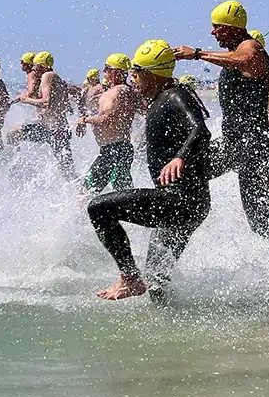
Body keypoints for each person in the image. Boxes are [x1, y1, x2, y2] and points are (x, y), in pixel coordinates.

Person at [88, 40, 211, 300]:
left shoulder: (175, 96)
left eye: (136, 72)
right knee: (157, 282)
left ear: (152, 74)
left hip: (180, 200)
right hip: (188, 202)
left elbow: (200, 130)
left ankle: (129, 279)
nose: (133, 78)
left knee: (98, 208)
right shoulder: (160, 98)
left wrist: (179, 158)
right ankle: (173, 333)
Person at [174, 0, 269, 247]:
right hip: (235, 145)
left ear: (233, 27)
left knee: (259, 221)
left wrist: (197, 54)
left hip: (254, 147)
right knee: (187, 173)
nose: (213, 32)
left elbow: (247, 59)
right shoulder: (234, 52)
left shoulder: (249, 46)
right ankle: (181, 224)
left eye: (217, 27)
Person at [76, 54, 144, 194]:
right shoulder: (131, 92)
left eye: (107, 68)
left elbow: (105, 119)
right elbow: (147, 112)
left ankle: (76, 216)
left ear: (115, 72)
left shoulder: (114, 93)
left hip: (112, 151)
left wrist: (84, 120)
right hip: (123, 148)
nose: (104, 72)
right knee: (124, 192)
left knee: (83, 193)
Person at [7, 51, 77, 180]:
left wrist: (25, 100)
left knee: (67, 168)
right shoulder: (56, 78)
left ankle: (81, 192)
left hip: (56, 130)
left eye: (36, 66)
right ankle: (16, 166)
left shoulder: (47, 75)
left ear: (43, 66)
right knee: (13, 134)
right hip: (51, 128)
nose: (33, 69)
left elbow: (45, 102)